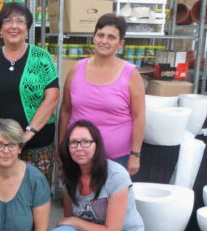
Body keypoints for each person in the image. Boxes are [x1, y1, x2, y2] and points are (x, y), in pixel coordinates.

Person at [46, 120, 144, 231]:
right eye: (73, 142)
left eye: (86, 142)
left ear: (97, 145)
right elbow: (68, 220)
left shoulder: (115, 175)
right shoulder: (68, 175)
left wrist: (74, 222)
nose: (79, 147)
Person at [0, 2, 59, 185]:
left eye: (20, 21)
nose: (14, 26)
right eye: (8, 21)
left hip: (37, 143)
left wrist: (27, 135)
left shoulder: (42, 57)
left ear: (27, 29)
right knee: (2, 191)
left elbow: (52, 98)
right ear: (1, 28)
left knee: (36, 194)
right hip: (1, 147)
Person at [59, 14, 145, 177]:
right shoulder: (76, 70)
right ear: (93, 38)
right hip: (78, 155)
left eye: (111, 37)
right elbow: (65, 110)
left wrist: (135, 154)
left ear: (121, 44)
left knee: (112, 201)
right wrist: (62, 146)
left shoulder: (131, 74)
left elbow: (139, 117)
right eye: (100, 35)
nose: (104, 41)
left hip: (116, 158)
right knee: (75, 198)